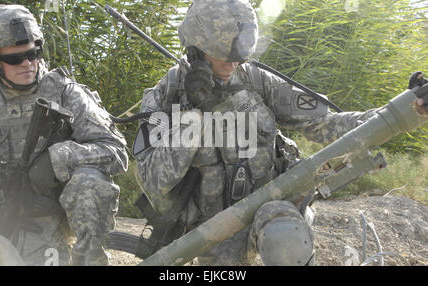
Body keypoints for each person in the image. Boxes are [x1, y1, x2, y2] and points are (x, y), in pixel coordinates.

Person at [133, 0, 427, 266]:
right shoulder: (165, 97)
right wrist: (192, 119)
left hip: (269, 208)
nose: (233, 63)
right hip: (210, 231)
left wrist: (408, 108)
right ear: (195, 48)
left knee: (284, 236)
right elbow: (154, 183)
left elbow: (327, 124)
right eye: (223, 54)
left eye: (239, 52)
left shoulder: (256, 81)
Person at [0, 5, 128, 266]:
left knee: (89, 181)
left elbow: (116, 152)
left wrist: (59, 158)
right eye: (15, 59)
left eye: (33, 53)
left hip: (59, 212)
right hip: (8, 216)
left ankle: (89, 259)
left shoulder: (65, 93)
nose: (27, 63)